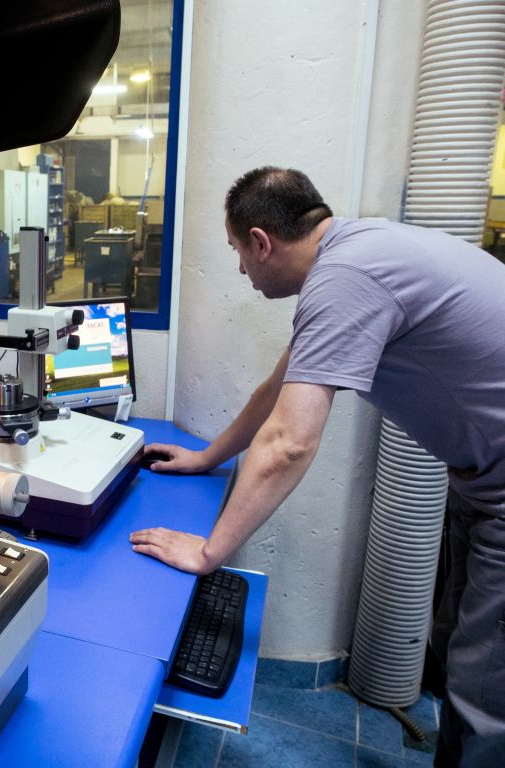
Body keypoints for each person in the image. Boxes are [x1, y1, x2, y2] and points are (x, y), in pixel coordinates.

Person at [130, 166, 505, 767]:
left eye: (237, 252)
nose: (241, 270)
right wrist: (206, 457)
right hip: (481, 483)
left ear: (261, 242)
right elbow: (275, 393)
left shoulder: (346, 278)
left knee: (487, 693)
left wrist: (208, 553)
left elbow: (290, 443)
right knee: (463, 657)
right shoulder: (357, 253)